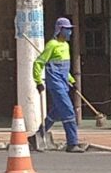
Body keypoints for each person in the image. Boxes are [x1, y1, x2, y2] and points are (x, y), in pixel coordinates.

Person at [30, 17, 84, 153]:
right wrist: (38, 81)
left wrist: (71, 81)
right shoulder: (51, 45)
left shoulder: (66, 46)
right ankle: (72, 143)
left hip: (64, 82)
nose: (70, 32)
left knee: (57, 111)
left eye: (70, 30)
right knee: (68, 111)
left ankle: (38, 135)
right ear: (60, 30)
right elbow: (38, 63)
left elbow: (64, 69)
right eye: (67, 30)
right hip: (55, 83)